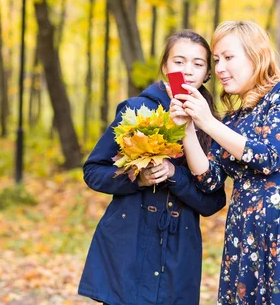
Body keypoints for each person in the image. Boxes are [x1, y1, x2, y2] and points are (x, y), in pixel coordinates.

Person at [169, 21, 280, 304]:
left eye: (228, 57)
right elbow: (209, 179)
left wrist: (208, 122)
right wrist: (188, 128)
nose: (221, 68)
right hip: (246, 238)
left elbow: (268, 156)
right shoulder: (232, 120)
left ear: (256, 55)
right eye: (216, 60)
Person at [79, 30, 227, 305]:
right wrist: (138, 179)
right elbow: (93, 171)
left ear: (208, 72)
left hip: (178, 248)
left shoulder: (213, 123)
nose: (187, 71)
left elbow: (213, 201)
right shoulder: (137, 110)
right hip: (128, 241)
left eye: (198, 64)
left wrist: (175, 175)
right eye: (179, 62)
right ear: (164, 66)